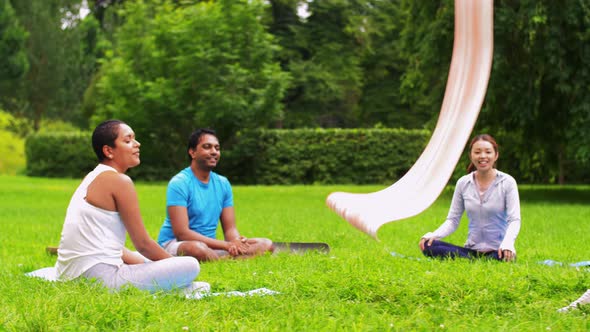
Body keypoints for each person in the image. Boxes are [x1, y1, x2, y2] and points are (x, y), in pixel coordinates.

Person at [55, 120, 201, 291]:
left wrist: (153, 265)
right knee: (190, 265)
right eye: (128, 140)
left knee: (148, 261)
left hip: (69, 276)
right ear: (109, 151)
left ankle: (179, 286)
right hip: (100, 279)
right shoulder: (120, 181)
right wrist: (175, 266)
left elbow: (116, 248)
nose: (137, 144)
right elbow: (143, 243)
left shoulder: (92, 177)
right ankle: (183, 288)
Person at [157, 128, 273, 261]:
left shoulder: (223, 183)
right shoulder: (179, 183)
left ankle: (221, 259)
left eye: (217, 148)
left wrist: (236, 242)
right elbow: (182, 233)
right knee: (197, 249)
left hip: (211, 246)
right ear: (192, 152)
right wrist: (226, 245)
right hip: (176, 243)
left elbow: (230, 229)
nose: (214, 152)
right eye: (207, 147)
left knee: (266, 244)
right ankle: (225, 260)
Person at [419, 134, 521, 262]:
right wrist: (434, 235)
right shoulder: (463, 183)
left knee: (500, 257)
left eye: (488, 152)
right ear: (471, 156)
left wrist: (508, 243)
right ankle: (474, 261)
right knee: (429, 245)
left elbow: (514, 220)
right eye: (477, 152)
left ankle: (471, 261)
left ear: (496, 155)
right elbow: (452, 220)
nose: (483, 156)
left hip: (498, 251)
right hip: (471, 250)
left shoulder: (507, 182)